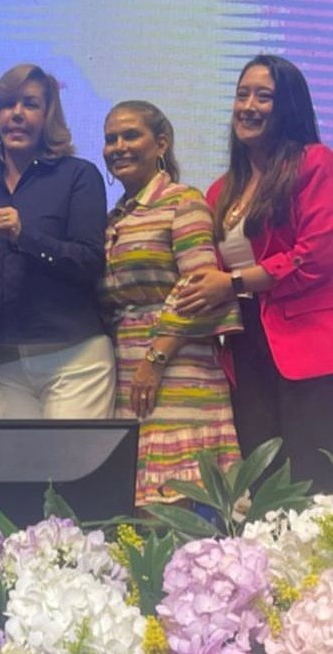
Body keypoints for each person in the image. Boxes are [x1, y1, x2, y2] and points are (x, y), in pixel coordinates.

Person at [176, 55, 333, 492]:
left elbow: (316, 255)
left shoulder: (314, 162)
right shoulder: (219, 191)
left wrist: (234, 282)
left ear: (288, 107)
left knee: (313, 474)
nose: (248, 106)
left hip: (306, 346)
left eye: (263, 96)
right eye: (242, 94)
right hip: (244, 343)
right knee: (262, 478)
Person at [99, 101, 243, 506]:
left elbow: (200, 289)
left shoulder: (184, 201)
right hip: (130, 373)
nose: (119, 146)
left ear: (161, 143)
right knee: (139, 511)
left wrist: (156, 358)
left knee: (181, 508)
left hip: (180, 372)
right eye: (111, 139)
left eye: (131, 135)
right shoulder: (114, 218)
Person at [0, 63, 114, 419]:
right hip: (1, 358)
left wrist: (24, 235)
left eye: (30, 104)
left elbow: (90, 261)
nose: (16, 114)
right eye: (7, 104)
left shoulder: (78, 175)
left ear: (49, 116)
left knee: (72, 458)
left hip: (74, 355)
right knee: (15, 459)